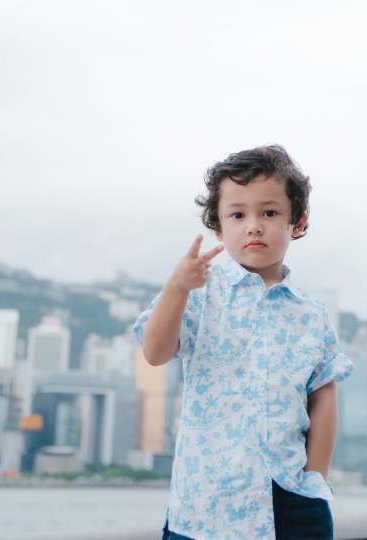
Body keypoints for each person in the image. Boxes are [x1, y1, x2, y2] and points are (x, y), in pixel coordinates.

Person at [133, 144, 354, 540]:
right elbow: (155, 352)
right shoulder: (200, 292)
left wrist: (314, 478)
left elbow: (324, 395)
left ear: (297, 222)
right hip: (206, 504)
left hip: (293, 501)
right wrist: (177, 286)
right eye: (238, 214)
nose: (254, 225)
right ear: (218, 227)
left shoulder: (311, 313)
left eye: (269, 213)